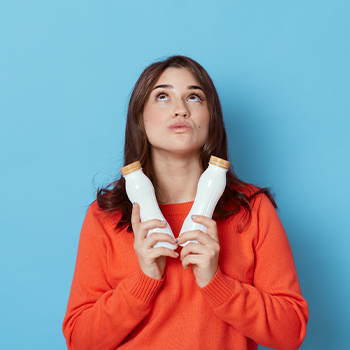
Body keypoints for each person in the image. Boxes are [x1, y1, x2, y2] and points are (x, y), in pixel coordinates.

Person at [62, 56, 308, 350]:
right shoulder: (106, 216)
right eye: (163, 96)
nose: (181, 109)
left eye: (194, 97)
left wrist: (217, 283)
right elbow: (80, 341)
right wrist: (144, 280)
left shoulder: (252, 210)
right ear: (140, 117)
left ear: (210, 118)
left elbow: (291, 332)